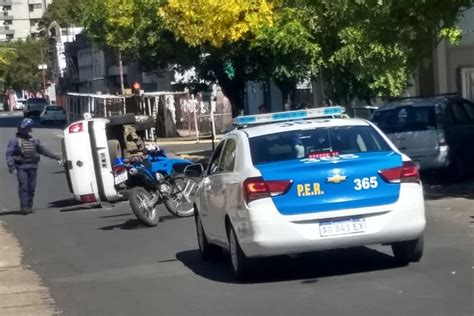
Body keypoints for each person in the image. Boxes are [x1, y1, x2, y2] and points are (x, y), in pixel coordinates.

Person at [6, 118, 62, 214]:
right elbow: (9, 154)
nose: (30, 130)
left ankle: (29, 206)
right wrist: (11, 166)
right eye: (28, 129)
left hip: (33, 167)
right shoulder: (14, 141)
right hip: (21, 167)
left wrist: (56, 157)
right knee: (24, 187)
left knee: (31, 187)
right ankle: (24, 207)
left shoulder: (33, 140)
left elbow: (43, 150)